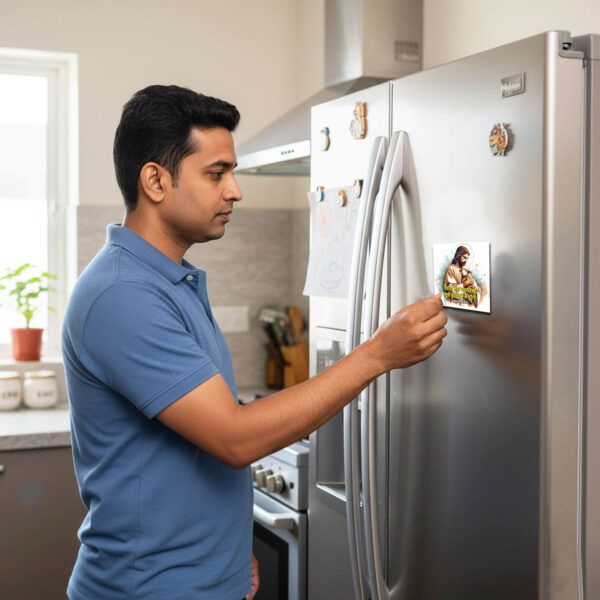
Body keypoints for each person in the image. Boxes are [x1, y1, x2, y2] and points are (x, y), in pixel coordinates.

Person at [62, 85, 447, 600]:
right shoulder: (121, 295)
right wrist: (376, 354)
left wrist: (226, 546)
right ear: (155, 180)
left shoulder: (169, 281)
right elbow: (235, 438)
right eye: (216, 173)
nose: (235, 191)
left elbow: (194, 448)